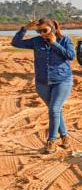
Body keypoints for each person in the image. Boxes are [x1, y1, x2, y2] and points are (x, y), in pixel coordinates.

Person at [11, 18, 76, 154]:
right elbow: (15, 43)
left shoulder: (65, 40)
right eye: (38, 31)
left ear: (52, 28)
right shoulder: (36, 41)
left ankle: (51, 141)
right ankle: (65, 137)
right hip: (42, 83)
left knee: (54, 110)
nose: (41, 34)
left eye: (44, 30)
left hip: (62, 81)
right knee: (55, 111)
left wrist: (54, 44)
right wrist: (25, 28)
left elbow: (71, 56)